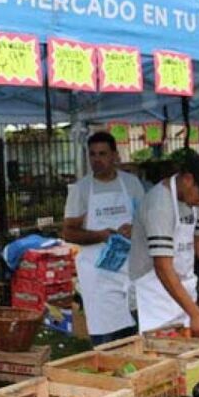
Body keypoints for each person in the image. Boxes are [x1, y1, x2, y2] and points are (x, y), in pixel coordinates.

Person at [129, 150, 199, 336]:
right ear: (188, 179)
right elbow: (162, 267)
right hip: (153, 296)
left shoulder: (192, 202)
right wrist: (195, 312)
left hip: (180, 293)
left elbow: (197, 240)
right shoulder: (160, 204)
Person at [62, 132, 145, 345]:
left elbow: (145, 220)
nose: (97, 160)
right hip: (98, 274)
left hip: (129, 269)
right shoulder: (81, 190)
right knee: (106, 334)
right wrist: (100, 235)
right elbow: (68, 232)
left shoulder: (131, 184)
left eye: (102, 154)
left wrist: (134, 228)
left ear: (115, 156)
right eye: (92, 155)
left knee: (134, 331)